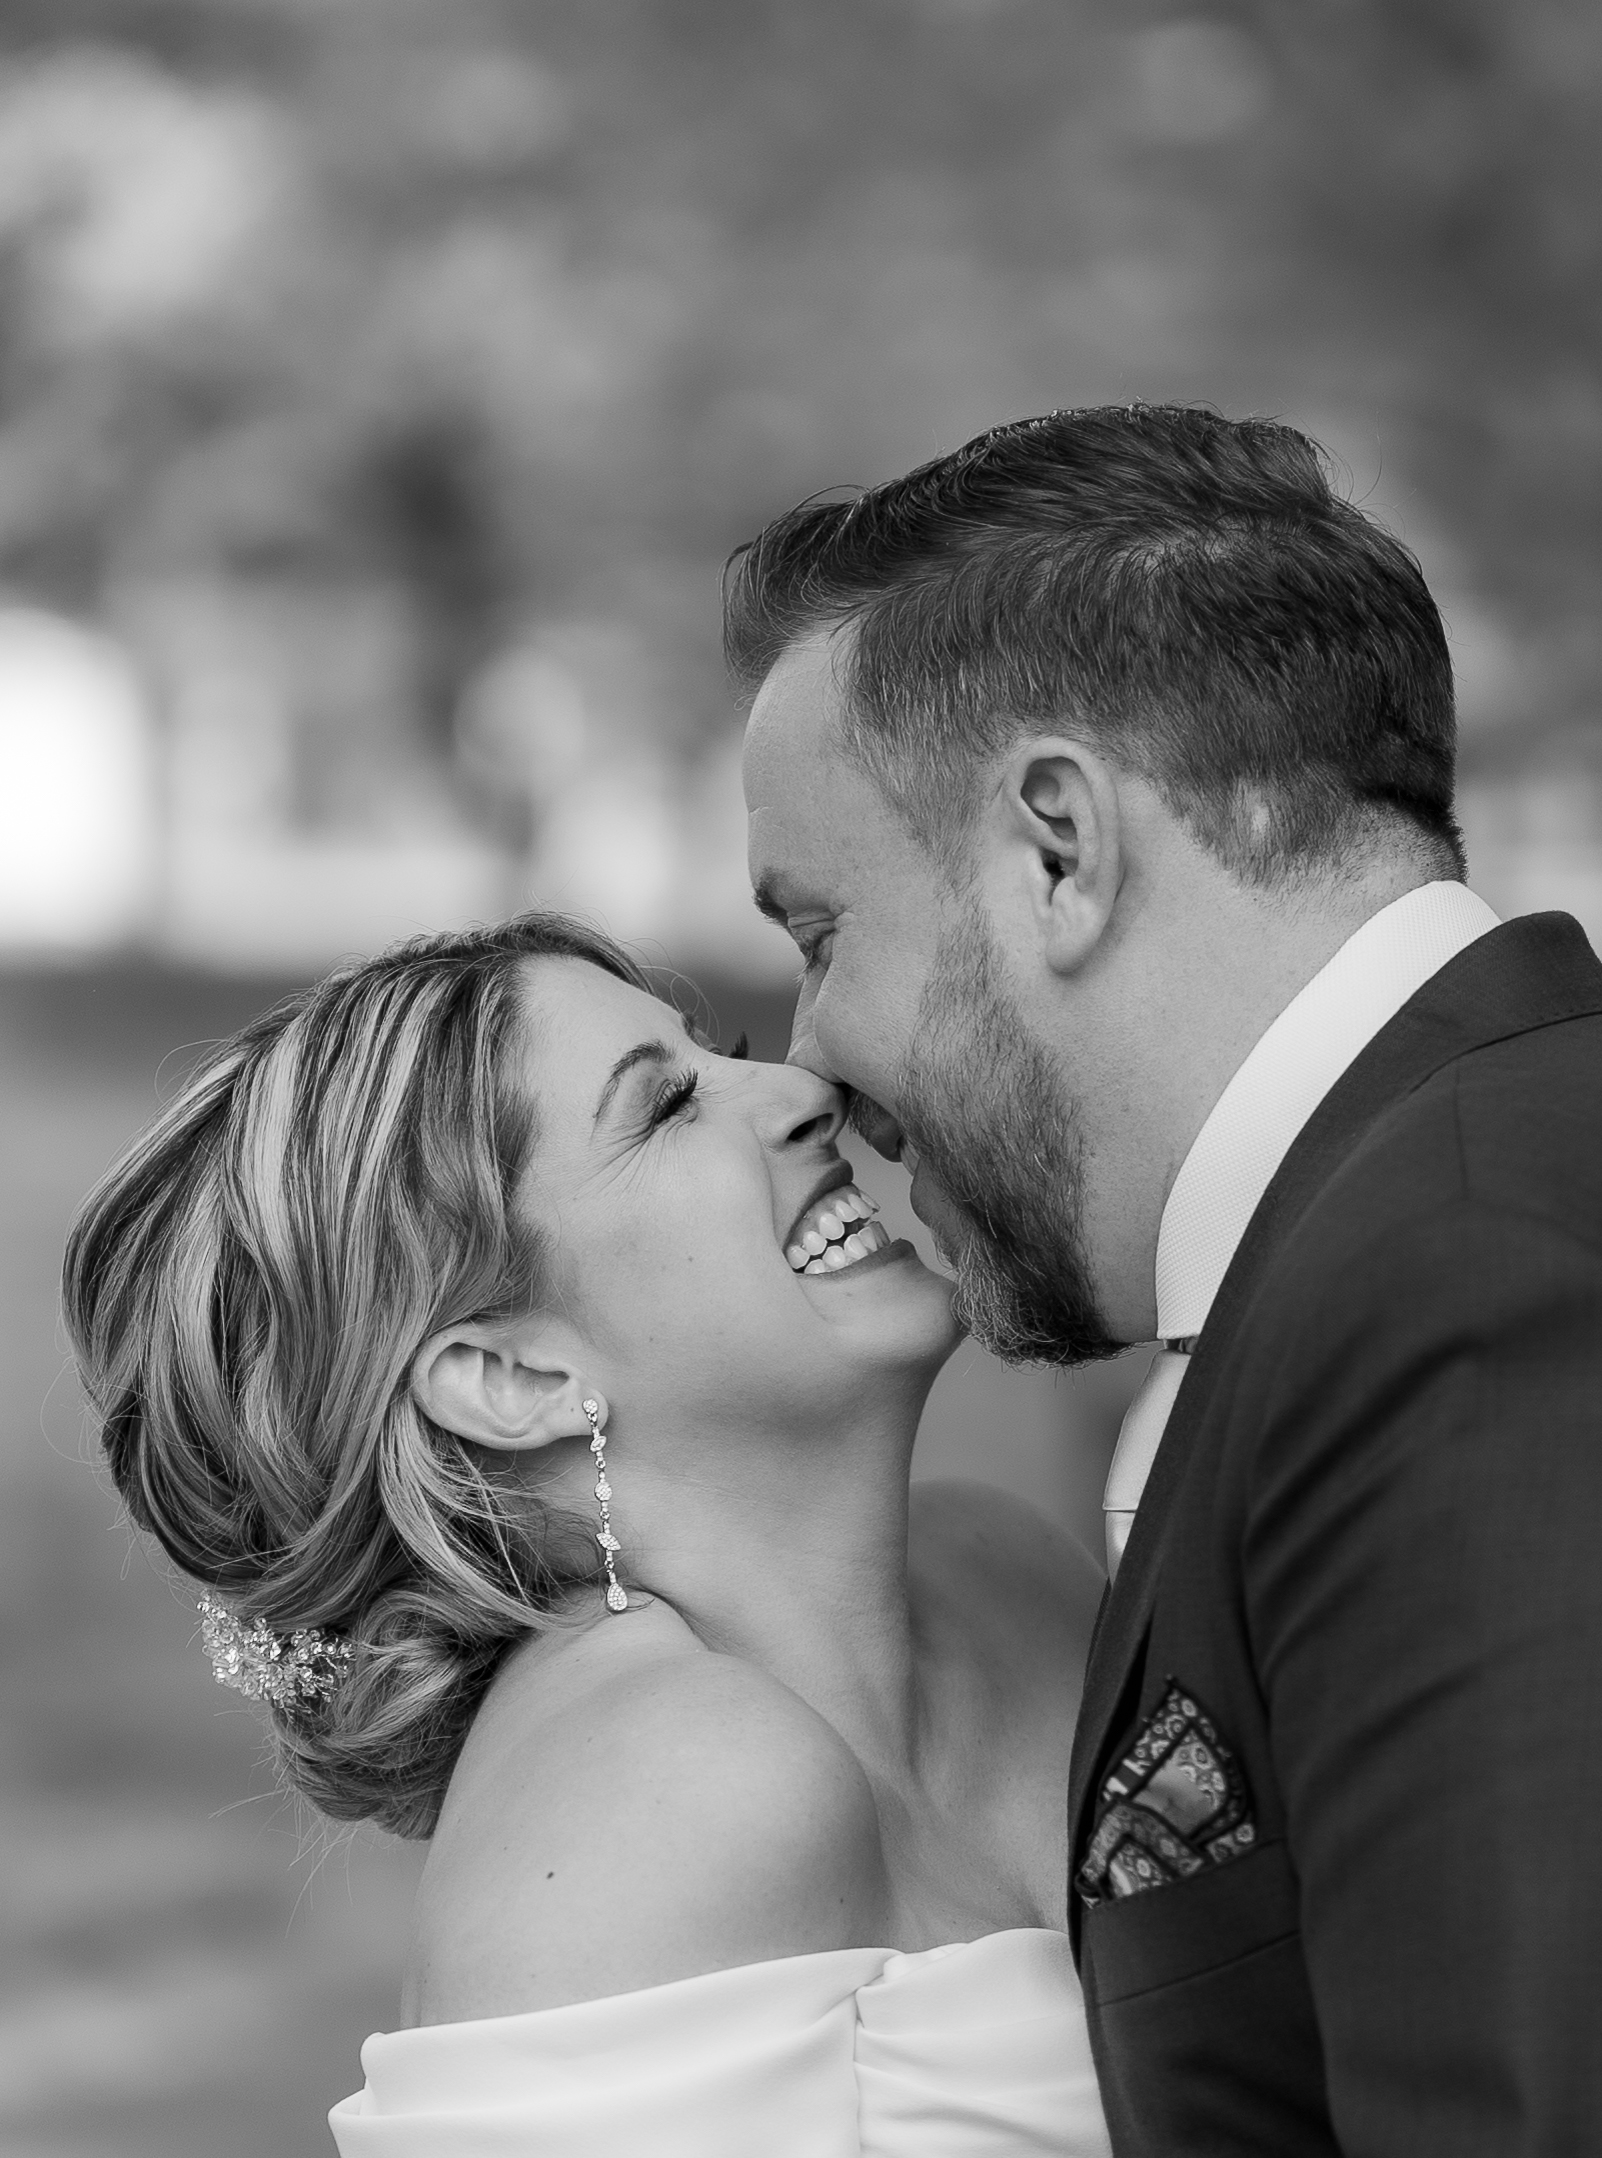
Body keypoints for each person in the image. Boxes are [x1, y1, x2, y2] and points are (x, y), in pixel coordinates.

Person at [728, 401, 1602, 2156]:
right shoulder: (1426, 1211)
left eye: (819, 933)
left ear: (1058, 847)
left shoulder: (1457, 1283)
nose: (807, 1057)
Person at [62, 910, 1112, 2158]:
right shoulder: (646, 1793)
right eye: (665, 1107)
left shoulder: (1015, 1579)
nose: (801, 1090)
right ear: (513, 1379)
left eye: (720, 1056)